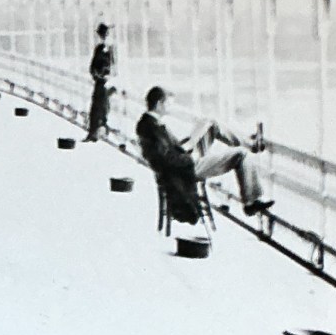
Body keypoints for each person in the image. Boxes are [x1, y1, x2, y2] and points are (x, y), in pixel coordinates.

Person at [136, 86, 273, 218]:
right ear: (159, 104)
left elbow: (165, 152)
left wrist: (186, 145)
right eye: (169, 104)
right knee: (241, 154)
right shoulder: (152, 127)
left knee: (211, 123)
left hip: (182, 160)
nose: (170, 108)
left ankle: (250, 143)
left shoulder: (147, 123)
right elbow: (166, 159)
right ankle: (250, 202)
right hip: (187, 169)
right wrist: (190, 157)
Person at [84, 23, 116, 142]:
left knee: (101, 107)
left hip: (106, 83)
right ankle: (94, 132)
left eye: (106, 34)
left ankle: (98, 132)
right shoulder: (99, 48)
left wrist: (106, 76)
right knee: (97, 107)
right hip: (100, 82)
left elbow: (114, 67)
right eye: (103, 34)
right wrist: (96, 75)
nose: (104, 36)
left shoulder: (111, 49)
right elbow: (92, 66)